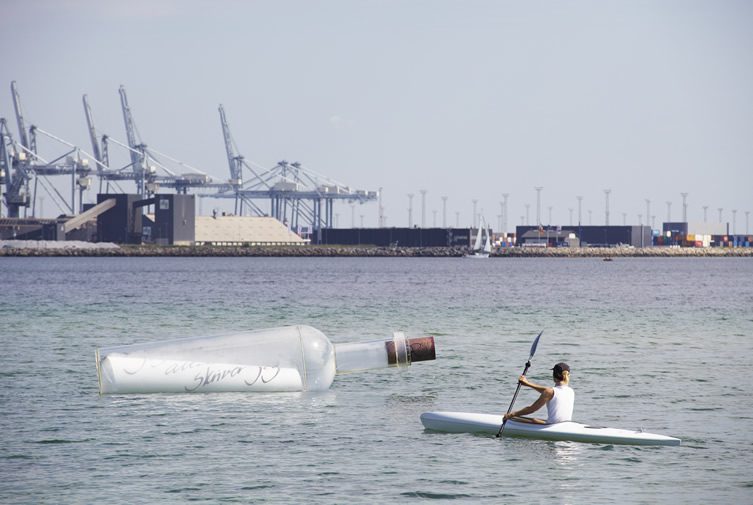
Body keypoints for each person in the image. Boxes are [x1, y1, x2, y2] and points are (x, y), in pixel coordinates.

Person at [502, 362, 574, 424]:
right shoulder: (571, 391)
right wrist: (528, 384)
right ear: (568, 376)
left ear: (554, 376)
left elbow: (532, 409)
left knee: (514, 418)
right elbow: (549, 392)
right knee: (535, 420)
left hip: (552, 426)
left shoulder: (550, 392)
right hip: (566, 424)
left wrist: (511, 414)